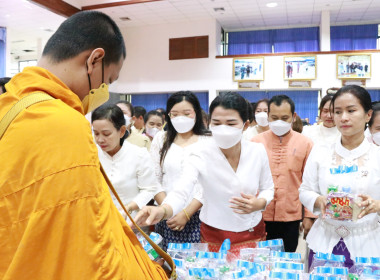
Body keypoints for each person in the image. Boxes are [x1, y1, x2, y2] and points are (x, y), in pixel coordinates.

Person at [0, 11, 167, 279]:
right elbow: (90, 244)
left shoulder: (7, 109)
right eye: (108, 81)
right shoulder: (65, 123)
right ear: (94, 60)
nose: (103, 92)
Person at [136, 92, 274, 253]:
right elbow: (182, 190)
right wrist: (163, 210)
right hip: (214, 232)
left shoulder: (257, 151)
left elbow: (268, 188)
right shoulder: (200, 152)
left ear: (245, 125)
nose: (223, 129)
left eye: (231, 123)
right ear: (209, 124)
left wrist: (261, 202)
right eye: (216, 123)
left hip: (251, 230)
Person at [299, 85, 380, 268]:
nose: (343, 117)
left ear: (368, 115)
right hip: (324, 240)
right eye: (338, 111)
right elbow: (305, 190)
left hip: (367, 242)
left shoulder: (377, 155)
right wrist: (319, 200)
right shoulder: (320, 151)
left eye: (351, 111)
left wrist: (377, 205)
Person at [251, 95, 315, 252]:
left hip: (290, 217)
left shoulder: (305, 143)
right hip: (259, 214)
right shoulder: (255, 142)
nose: (279, 121)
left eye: (284, 118)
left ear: (293, 117)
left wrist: (309, 215)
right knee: (259, 260)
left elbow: (310, 182)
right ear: (268, 117)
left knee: (286, 260)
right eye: (274, 117)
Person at [150, 91, 210, 250]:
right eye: (174, 114)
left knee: (197, 269)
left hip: (199, 215)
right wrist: (168, 209)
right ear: (168, 115)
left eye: (186, 113)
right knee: (166, 266)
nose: (180, 118)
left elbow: (209, 184)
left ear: (196, 113)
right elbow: (153, 178)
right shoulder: (161, 139)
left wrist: (186, 213)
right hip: (166, 215)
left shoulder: (208, 140)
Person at [92, 104, 159, 220]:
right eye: (96, 133)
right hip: (98, 220)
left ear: (122, 131)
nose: (100, 139)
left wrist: (128, 207)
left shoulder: (139, 154)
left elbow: (149, 189)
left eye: (106, 134)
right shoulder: (91, 155)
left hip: (130, 220)